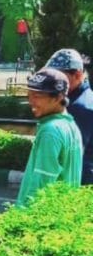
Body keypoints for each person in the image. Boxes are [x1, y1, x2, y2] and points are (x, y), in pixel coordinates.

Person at [16, 68, 82, 207]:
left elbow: (41, 184)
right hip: (62, 213)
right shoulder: (70, 125)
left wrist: (22, 220)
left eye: (38, 96)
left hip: (42, 220)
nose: (31, 101)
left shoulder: (50, 131)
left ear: (58, 98)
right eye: (29, 95)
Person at [43, 48, 93, 185]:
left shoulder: (80, 107)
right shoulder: (73, 99)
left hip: (80, 184)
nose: (54, 80)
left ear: (77, 75)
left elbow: (71, 157)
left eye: (59, 76)